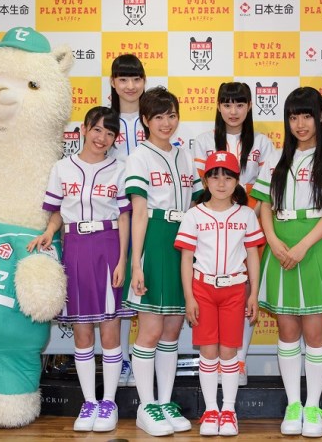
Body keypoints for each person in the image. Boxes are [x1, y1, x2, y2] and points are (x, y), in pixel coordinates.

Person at [250, 86, 322, 438]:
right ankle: (293, 404)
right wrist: (273, 240)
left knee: (315, 334)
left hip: (314, 248)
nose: (300, 124)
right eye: (293, 117)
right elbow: (264, 204)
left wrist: (304, 246)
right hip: (279, 249)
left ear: (320, 117)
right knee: (287, 332)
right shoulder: (277, 157)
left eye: (307, 115)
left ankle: (313, 406)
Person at [28, 106, 133, 433]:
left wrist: (123, 260)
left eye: (110, 133)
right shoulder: (62, 168)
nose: (102, 138)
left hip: (108, 246)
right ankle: (89, 402)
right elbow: (57, 211)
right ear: (84, 129)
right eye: (97, 129)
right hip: (74, 247)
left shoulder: (120, 168)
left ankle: (109, 402)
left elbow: (125, 216)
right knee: (83, 332)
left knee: (110, 330)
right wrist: (49, 232)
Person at [122, 86, 202, 437]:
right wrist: (137, 264)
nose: (166, 123)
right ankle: (146, 406)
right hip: (154, 240)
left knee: (172, 330)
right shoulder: (139, 156)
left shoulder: (185, 156)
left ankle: (165, 402)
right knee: (151, 330)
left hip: (183, 242)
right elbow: (139, 213)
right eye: (158, 117)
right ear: (145, 120)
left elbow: (198, 204)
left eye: (171, 115)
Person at [175, 151, 265, 437]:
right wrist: (189, 297)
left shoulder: (246, 214)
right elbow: (186, 258)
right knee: (208, 351)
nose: (221, 183)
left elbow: (253, 255)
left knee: (229, 352)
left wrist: (254, 293)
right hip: (202, 288)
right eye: (215, 177)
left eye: (228, 177)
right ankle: (211, 410)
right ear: (205, 181)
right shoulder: (194, 214)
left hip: (235, 289)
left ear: (237, 181)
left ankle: (228, 410)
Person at [192, 82, 276, 386]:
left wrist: (247, 216)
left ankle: (239, 360)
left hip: (251, 218)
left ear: (250, 106)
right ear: (218, 106)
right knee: (214, 286)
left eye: (240, 104)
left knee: (245, 287)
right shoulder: (204, 141)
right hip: (213, 221)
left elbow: (266, 189)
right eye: (227, 104)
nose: (233, 111)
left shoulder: (262, 142)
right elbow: (199, 187)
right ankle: (215, 360)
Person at [109, 53, 147, 387]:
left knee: (146, 289)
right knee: (119, 292)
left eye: (136, 79)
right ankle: (120, 359)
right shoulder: (105, 120)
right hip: (115, 216)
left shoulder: (154, 118)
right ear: (113, 83)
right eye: (123, 79)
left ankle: (144, 358)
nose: (130, 86)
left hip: (149, 216)